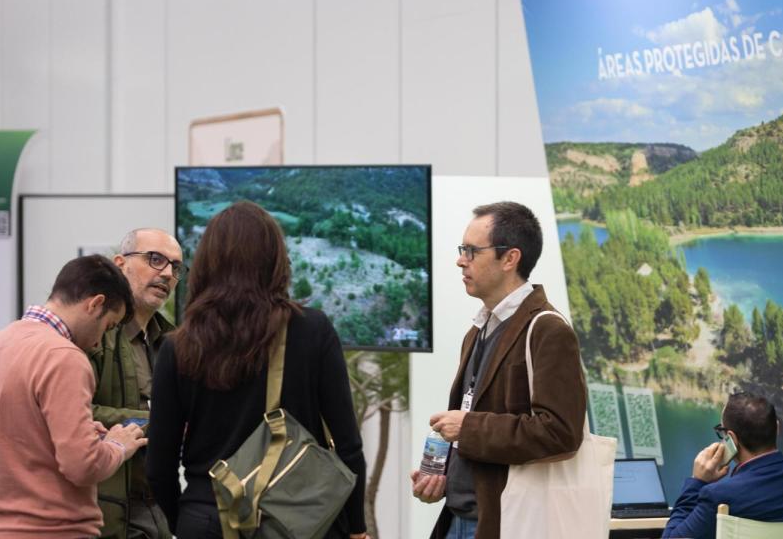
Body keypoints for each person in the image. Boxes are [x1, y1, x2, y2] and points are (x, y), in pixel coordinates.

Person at [146, 201, 369, 539]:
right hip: (293, 521)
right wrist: (356, 527)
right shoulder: (312, 330)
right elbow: (348, 446)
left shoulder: (177, 346)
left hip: (206, 514)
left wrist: (188, 520)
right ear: (275, 260)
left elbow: (159, 465)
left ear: (207, 262)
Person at [410, 201, 587, 539]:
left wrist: (469, 427)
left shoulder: (548, 329)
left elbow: (562, 432)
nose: (460, 260)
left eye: (472, 251)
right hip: (459, 518)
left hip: (508, 524)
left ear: (510, 258)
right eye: (462, 249)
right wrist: (441, 478)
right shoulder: (476, 332)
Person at [0, 255, 148, 538]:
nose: (100, 341)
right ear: (95, 304)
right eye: (108, 326)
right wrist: (115, 445)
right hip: (57, 530)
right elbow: (83, 466)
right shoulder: (65, 358)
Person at [90, 228, 185, 538]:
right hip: (105, 511)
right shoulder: (94, 334)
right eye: (155, 259)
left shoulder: (171, 341)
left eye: (175, 267)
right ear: (121, 264)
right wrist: (157, 423)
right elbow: (73, 414)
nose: (167, 274)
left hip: (157, 508)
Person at [663, 392, 783, 539]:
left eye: (722, 432)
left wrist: (697, 482)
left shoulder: (718, 496)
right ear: (777, 429)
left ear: (731, 439)